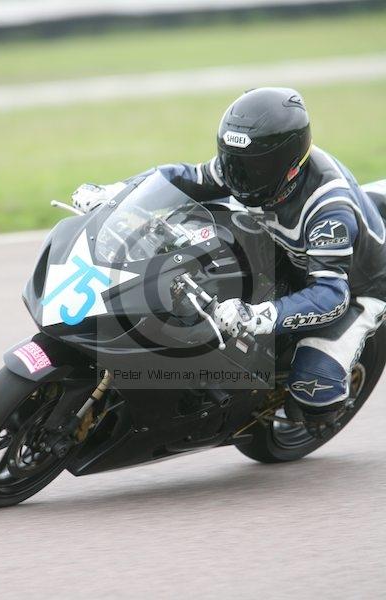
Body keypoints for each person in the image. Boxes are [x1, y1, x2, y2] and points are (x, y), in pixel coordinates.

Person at [72, 87, 386, 437]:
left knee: (313, 388)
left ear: (290, 166)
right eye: (233, 161)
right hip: (285, 249)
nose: (238, 176)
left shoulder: (329, 213)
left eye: (255, 167)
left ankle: (318, 405)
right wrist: (117, 194)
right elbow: (186, 177)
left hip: (356, 287)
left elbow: (332, 295)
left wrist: (259, 316)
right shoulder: (242, 168)